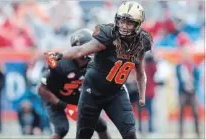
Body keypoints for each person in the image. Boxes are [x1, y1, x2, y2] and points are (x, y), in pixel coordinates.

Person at [45, 1, 152, 139]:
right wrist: (60, 55)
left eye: (129, 23)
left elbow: (140, 72)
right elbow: (80, 50)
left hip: (116, 92)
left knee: (130, 134)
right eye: (122, 21)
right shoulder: (108, 35)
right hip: (92, 93)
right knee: (84, 135)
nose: (125, 26)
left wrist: (142, 96)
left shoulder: (141, 42)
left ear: (138, 24)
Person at [38, 29, 111, 139]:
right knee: (62, 129)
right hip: (57, 99)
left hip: (77, 99)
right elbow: (41, 89)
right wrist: (64, 106)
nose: (92, 49)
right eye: (89, 46)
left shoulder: (94, 64)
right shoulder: (61, 65)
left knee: (101, 126)